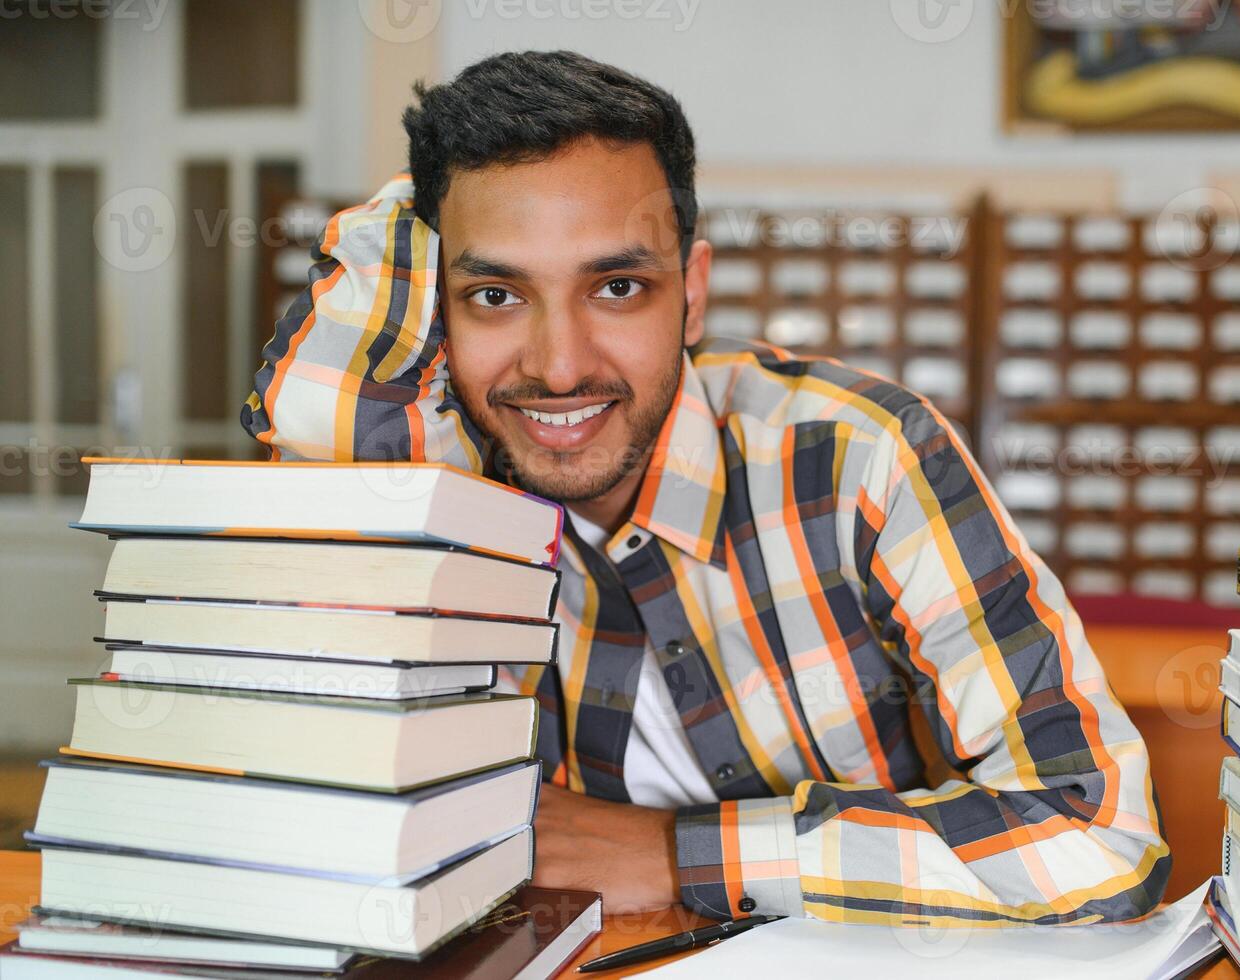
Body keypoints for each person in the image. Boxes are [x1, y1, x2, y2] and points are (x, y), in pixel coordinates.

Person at [242, 50, 1170, 925]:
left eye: (616, 287)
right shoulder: (439, 484)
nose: (558, 368)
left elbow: (1099, 839)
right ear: (435, 307)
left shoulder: (859, 458)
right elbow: (306, 792)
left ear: (690, 292)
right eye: (495, 295)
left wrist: (682, 857)